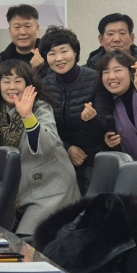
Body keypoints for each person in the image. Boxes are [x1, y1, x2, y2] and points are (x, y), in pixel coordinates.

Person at [0, 60, 80, 235]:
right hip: (23, 192)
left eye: (18, 81)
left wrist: (28, 116)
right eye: (6, 81)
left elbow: (48, 143)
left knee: (26, 240)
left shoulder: (40, 107)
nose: (12, 87)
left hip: (52, 189)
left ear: (28, 86)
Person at [40, 26, 110, 194]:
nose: (59, 58)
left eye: (64, 51)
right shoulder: (44, 85)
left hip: (94, 161)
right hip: (60, 159)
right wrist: (67, 147)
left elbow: (107, 126)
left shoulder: (95, 79)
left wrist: (92, 118)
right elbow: (44, 129)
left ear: (75, 52)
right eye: (52, 53)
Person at [97, 50, 137, 160]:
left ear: (131, 72)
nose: (111, 77)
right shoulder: (108, 105)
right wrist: (110, 143)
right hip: (134, 168)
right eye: (106, 72)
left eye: (117, 70)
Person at [0, 4, 49, 78]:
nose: (22, 32)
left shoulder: (51, 59)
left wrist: (42, 70)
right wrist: (34, 71)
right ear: (10, 31)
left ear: (37, 28)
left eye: (27, 26)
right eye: (17, 27)